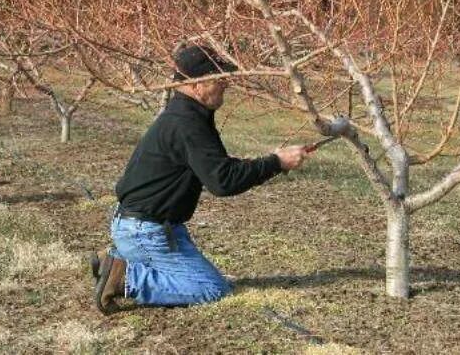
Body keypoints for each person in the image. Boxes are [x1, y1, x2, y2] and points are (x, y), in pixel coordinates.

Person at [91, 45, 309, 313]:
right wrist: (277, 163)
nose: (226, 84)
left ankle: (114, 261)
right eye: (219, 79)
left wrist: (271, 159)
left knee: (204, 281)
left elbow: (218, 168)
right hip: (147, 231)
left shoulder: (187, 115)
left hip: (147, 226)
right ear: (196, 85)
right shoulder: (187, 123)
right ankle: (124, 278)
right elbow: (223, 181)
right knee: (212, 289)